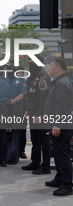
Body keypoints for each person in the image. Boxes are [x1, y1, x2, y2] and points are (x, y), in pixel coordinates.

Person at [43, 57, 73, 196]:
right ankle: (60, 178)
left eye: (51, 65)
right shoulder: (59, 82)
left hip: (61, 125)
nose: (49, 68)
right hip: (58, 124)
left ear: (58, 68)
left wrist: (57, 124)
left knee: (62, 155)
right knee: (58, 153)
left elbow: (62, 105)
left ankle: (67, 184)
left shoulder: (61, 83)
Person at [22, 54, 52, 174]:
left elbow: (43, 98)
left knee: (43, 140)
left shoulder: (42, 76)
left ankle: (45, 167)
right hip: (33, 112)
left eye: (32, 63)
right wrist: (28, 109)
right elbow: (31, 95)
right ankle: (35, 162)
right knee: (35, 139)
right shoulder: (33, 77)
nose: (30, 65)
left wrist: (39, 114)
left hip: (40, 113)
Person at [9, 66, 28, 159]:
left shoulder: (22, 81)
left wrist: (11, 102)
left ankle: (21, 150)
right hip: (8, 107)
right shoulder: (8, 79)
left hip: (19, 106)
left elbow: (22, 96)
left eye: (21, 72)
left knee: (21, 129)